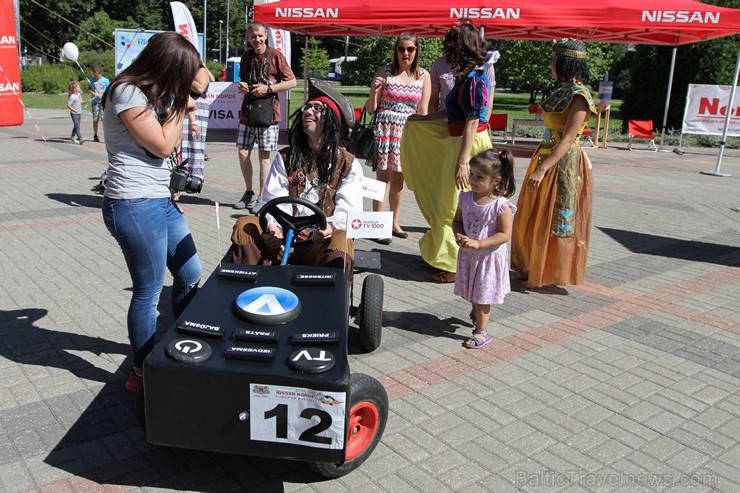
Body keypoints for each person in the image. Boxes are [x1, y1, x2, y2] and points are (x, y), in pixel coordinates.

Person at [100, 32, 203, 393]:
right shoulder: (126, 91)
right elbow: (160, 145)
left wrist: (187, 90)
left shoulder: (158, 95)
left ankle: (184, 346)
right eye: (182, 72)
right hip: (132, 202)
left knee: (191, 272)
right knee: (148, 290)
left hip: (159, 199)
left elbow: (201, 82)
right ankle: (140, 371)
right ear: (167, 66)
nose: (186, 82)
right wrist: (181, 104)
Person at [223, 79, 362, 271]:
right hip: (284, 240)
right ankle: (246, 287)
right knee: (245, 224)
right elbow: (274, 198)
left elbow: (349, 211)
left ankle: (332, 297)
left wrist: (328, 228)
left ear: (331, 120)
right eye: (307, 107)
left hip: (319, 244)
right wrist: (274, 227)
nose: (307, 111)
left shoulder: (348, 163)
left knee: (342, 236)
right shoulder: (286, 157)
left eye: (317, 108)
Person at [403, 20, 493, 283]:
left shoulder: (476, 78)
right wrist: (421, 120)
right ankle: (440, 253)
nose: (445, 48)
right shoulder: (465, 76)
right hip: (459, 143)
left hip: (469, 145)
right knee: (445, 202)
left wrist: (463, 162)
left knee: (452, 204)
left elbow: (473, 121)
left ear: (460, 47)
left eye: (450, 43)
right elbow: (452, 113)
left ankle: (453, 263)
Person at [511, 38, 596, 289]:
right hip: (544, 156)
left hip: (563, 165)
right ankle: (530, 265)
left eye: (553, 61)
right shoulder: (561, 92)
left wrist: (542, 169)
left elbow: (569, 140)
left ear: (566, 63)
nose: (550, 65)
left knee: (555, 216)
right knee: (536, 213)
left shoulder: (580, 97)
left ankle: (547, 271)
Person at [364, 33, 430, 245]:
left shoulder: (423, 76)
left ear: (416, 51)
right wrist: (374, 91)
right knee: (382, 179)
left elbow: (423, 111)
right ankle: (377, 224)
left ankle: (394, 222)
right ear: (396, 51)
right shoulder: (386, 71)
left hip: (406, 132)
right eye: (401, 49)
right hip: (384, 128)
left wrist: (421, 140)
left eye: (410, 49)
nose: (405, 53)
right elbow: (371, 108)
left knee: (399, 180)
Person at [452, 149, 516, 349]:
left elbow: (505, 234)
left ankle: (482, 332)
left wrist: (480, 243)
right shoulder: (465, 198)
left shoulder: (501, 205)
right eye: (472, 174)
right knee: (471, 293)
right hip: (469, 256)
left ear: (495, 180)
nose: (472, 179)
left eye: (479, 176)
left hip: (488, 258)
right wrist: (459, 234)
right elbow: (457, 221)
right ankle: (476, 311)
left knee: (482, 297)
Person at [234, 21, 296, 213]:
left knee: (263, 157)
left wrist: (269, 88)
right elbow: (242, 79)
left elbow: (292, 81)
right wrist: (242, 85)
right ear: (249, 38)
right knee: (243, 152)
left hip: (268, 113)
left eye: (260, 36)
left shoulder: (275, 55)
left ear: (266, 36)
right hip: (248, 110)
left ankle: (263, 197)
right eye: (253, 36)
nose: (257, 39)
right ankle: (249, 192)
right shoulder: (246, 57)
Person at [181, 66, 216, 180]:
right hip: (186, 105)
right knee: (182, 144)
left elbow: (202, 86)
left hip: (195, 105)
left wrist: (182, 78)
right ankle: (183, 175)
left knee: (194, 142)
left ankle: (192, 177)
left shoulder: (198, 67)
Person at [87, 66, 110, 142]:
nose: (95, 76)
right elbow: (89, 89)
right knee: (95, 119)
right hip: (95, 102)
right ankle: (95, 135)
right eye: (94, 75)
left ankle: (107, 135)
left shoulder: (105, 81)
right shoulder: (92, 80)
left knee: (104, 119)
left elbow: (108, 91)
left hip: (103, 102)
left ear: (100, 73)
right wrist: (94, 94)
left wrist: (102, 95)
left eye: (96, 75)